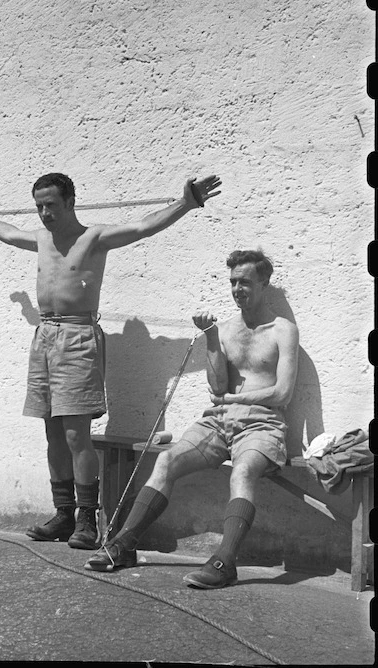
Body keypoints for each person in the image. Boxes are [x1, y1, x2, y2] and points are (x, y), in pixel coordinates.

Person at [0, 172, 221, 550]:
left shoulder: (93, 238)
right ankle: (63, 515)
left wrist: (187, 202)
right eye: (39, 206)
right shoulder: (42, 239)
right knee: (52, 432)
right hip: (45, 337)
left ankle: (87, 521)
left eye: (51, 205)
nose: (44, 213)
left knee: (76, 434)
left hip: (78, 337)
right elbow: (9, 233)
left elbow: (143, 227)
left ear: (70, 202)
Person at [85, 249, 299, 588]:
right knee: (167, 460)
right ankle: (123, 545)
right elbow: (217, 388)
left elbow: (282, 393)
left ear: (264, 282)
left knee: (242, 471)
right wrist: (211, 336)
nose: (236, 289)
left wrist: (234, 398)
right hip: (219, 420)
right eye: (232, 282)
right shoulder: (226, 329)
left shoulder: (283, 330)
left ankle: (225, 562)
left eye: (245, 282)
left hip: (263, 424)